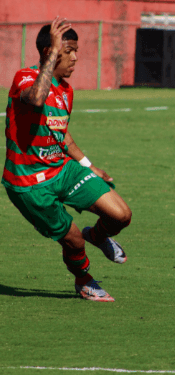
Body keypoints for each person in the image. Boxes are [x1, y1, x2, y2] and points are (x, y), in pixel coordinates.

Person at [3, 17, 133, 302]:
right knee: (73, 240)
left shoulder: (66, 90)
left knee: (121, 214)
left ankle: (97, 237)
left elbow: (61, 134)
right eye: (68, 50)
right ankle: (84, 280)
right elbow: (36, 99)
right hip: (29, 185)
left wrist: (88, 166)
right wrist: (50, 55)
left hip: (61, 170)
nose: (75, 57)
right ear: (50, 52)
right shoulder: (24, 78)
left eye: (76, 50)